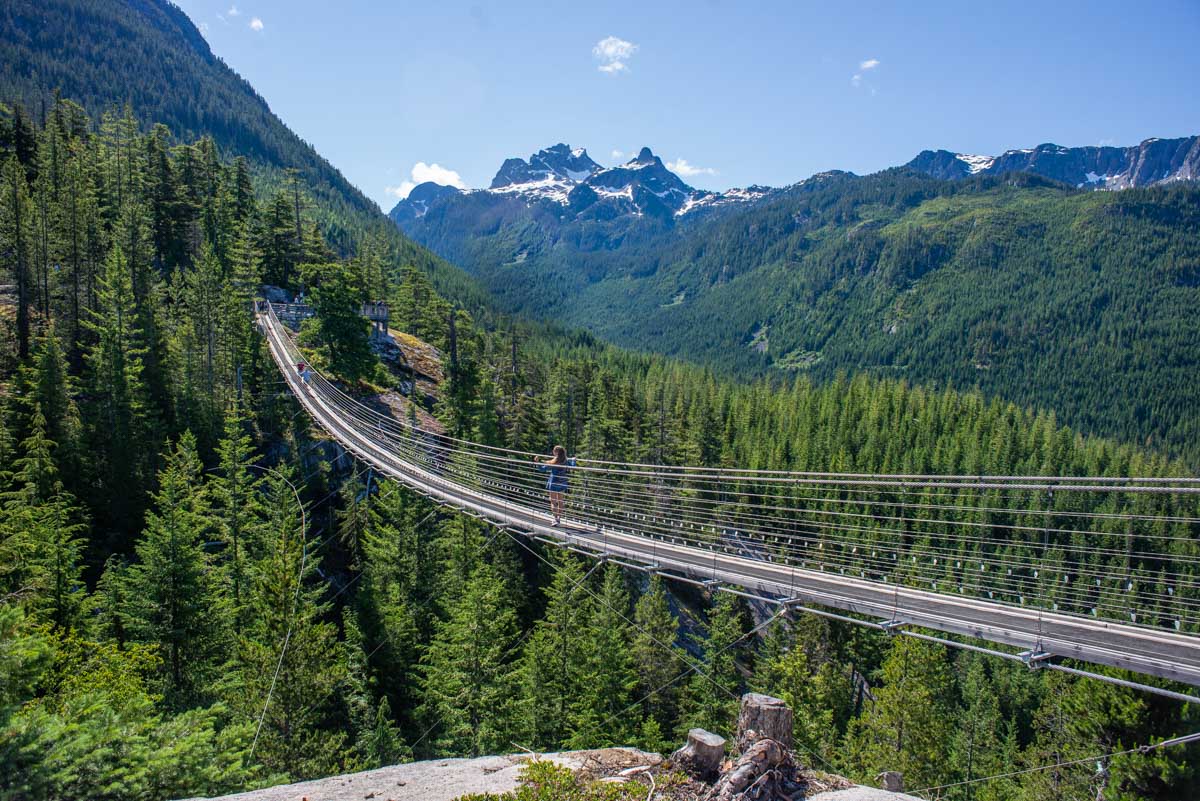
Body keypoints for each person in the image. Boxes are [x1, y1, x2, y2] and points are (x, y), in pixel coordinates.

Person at [536, 445, 575, 524]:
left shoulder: (554, 462)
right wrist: (574, 460)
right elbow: (573, 467)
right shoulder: (566, 461)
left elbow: (542, 469)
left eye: (554, 451)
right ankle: (559, 518)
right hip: (562, 483)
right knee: (560, 501)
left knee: (553, 502)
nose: (553, 452)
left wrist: (537, 462)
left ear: (556, 452)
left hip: (554, 483)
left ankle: (555, 518)